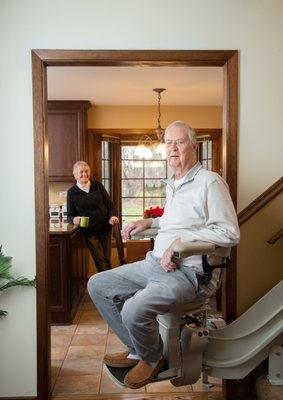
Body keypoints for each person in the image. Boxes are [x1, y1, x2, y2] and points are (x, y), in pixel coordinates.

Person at [87, 121, 240, 389]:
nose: (172, 148)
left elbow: (229, 233)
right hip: (154, 264)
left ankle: (151, 357)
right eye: (168, 143)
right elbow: (175, 223)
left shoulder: (210, 183)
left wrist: (180, 244)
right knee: (98, 284)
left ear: (193, 146)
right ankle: (138, 349)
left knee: (134, 308)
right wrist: (148, 223)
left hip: (190, 274)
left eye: (179, 142)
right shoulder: (175, 183)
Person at [67, 161, 119, 272]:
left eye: (86, 171)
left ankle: (108, 285)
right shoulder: (72, 192)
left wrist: (112, 216)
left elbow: (110, 205)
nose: (84, 174)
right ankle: (110, 284)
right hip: (89, 232)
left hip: (105, 228)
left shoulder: (98, 186)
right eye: (81, 172)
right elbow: (70, 215)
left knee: (106, 258)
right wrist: (74, 219)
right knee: (99, 259)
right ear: (75, 174)